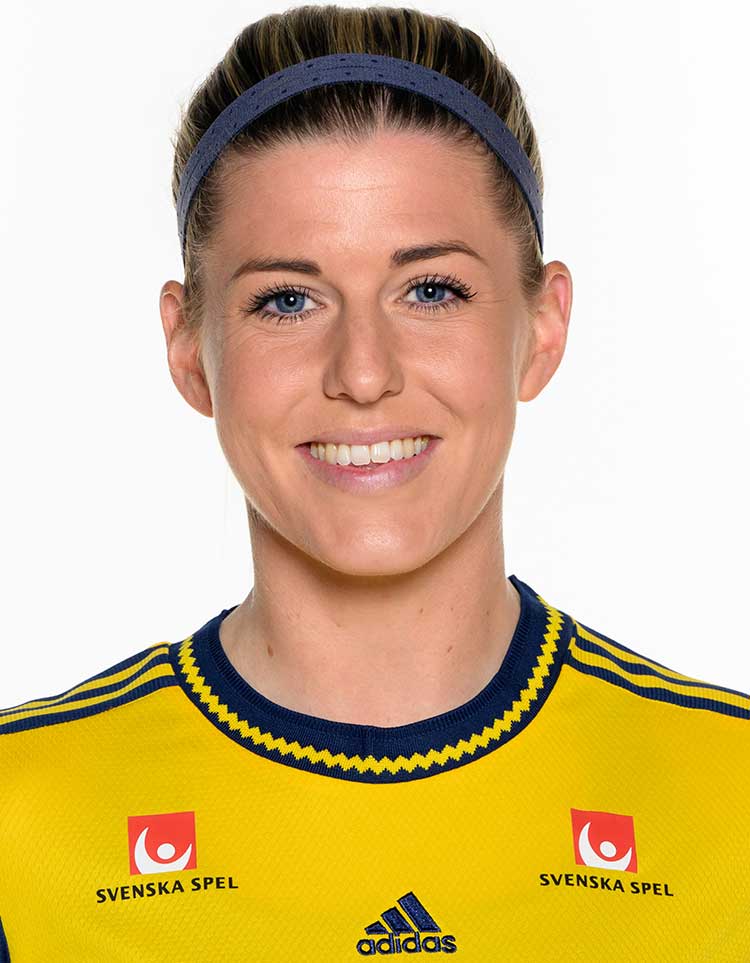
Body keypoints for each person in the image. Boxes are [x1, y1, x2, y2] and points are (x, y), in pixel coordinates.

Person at [1, 5, 748, 961]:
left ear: (544, 326)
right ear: (189, 349)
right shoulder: (22, 825)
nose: (362, 373)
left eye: (430, 290)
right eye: (287, 299)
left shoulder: (733, 802)